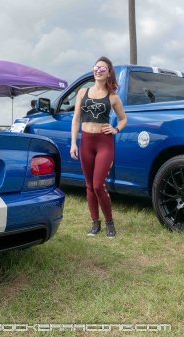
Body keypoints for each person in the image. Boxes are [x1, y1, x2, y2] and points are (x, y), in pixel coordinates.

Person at [70, 56, 127, 238]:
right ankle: (95, 223)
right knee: (88, 185)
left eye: (103, 69)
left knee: (98, 185)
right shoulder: (82, 92)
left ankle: (109, 223)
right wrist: (73, 143)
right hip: (85, 142)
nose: (98, 71)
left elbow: (124, 119)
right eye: (96, 67)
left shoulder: (113, 97)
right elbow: (76, 119)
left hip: (104, 143)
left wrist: (116, 128)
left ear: (108, 73)